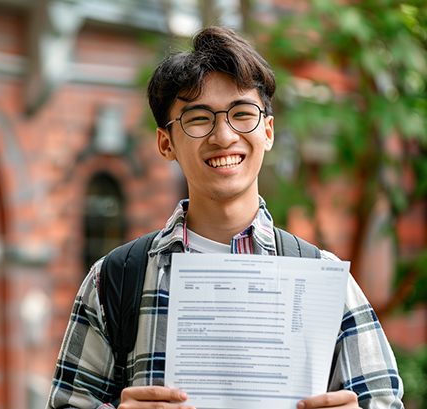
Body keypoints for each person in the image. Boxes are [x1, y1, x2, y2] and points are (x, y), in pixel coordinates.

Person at [46, 26, 404, 409]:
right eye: (199, 119)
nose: (224, 135)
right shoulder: (113, 280)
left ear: (267, 131)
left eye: (242, 114)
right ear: (166, 142)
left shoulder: (324, 279)